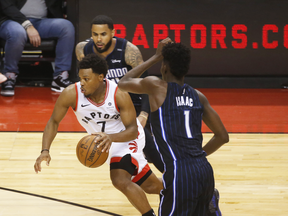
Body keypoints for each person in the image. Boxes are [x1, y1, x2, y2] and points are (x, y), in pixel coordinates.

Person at [34, 53, 162, 216]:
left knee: (119, 179)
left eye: (86, 79)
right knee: (151, 187)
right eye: (80, 78)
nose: (82, 83)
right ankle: (187, 190)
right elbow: (53, 122)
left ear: (101, 77)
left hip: (126, 137)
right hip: (105, 144)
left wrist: (111, 137)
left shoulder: (118, 94)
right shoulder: (71, 94)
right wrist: (45, 150)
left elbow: (133, 130)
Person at [118, 38, 229, 216]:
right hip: (204, 170)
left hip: (180, 172)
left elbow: (123, 83)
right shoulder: (198, 96)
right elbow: (223, 136)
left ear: (164, 67)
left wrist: (155, 57)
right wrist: (198, 156)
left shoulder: (156, 87)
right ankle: (211, 204)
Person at [75, 15, 164, 173]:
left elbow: (145, 85)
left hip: (134, 104)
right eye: (95, 34)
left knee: (154, 151)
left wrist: (143, 114)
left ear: (112, 33)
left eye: (103, 34)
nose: (99, 39)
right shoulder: (83, 50)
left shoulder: (129, 51)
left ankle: (174, 178)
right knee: (132, 158)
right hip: (110, 108)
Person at [0, 0, 75, 96]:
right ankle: (9, 76)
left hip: (40, 22)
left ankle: (60, 77)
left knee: (66, 26)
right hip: (11, 20)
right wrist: (27, 25)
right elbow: (7, 6)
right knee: (17, 33)